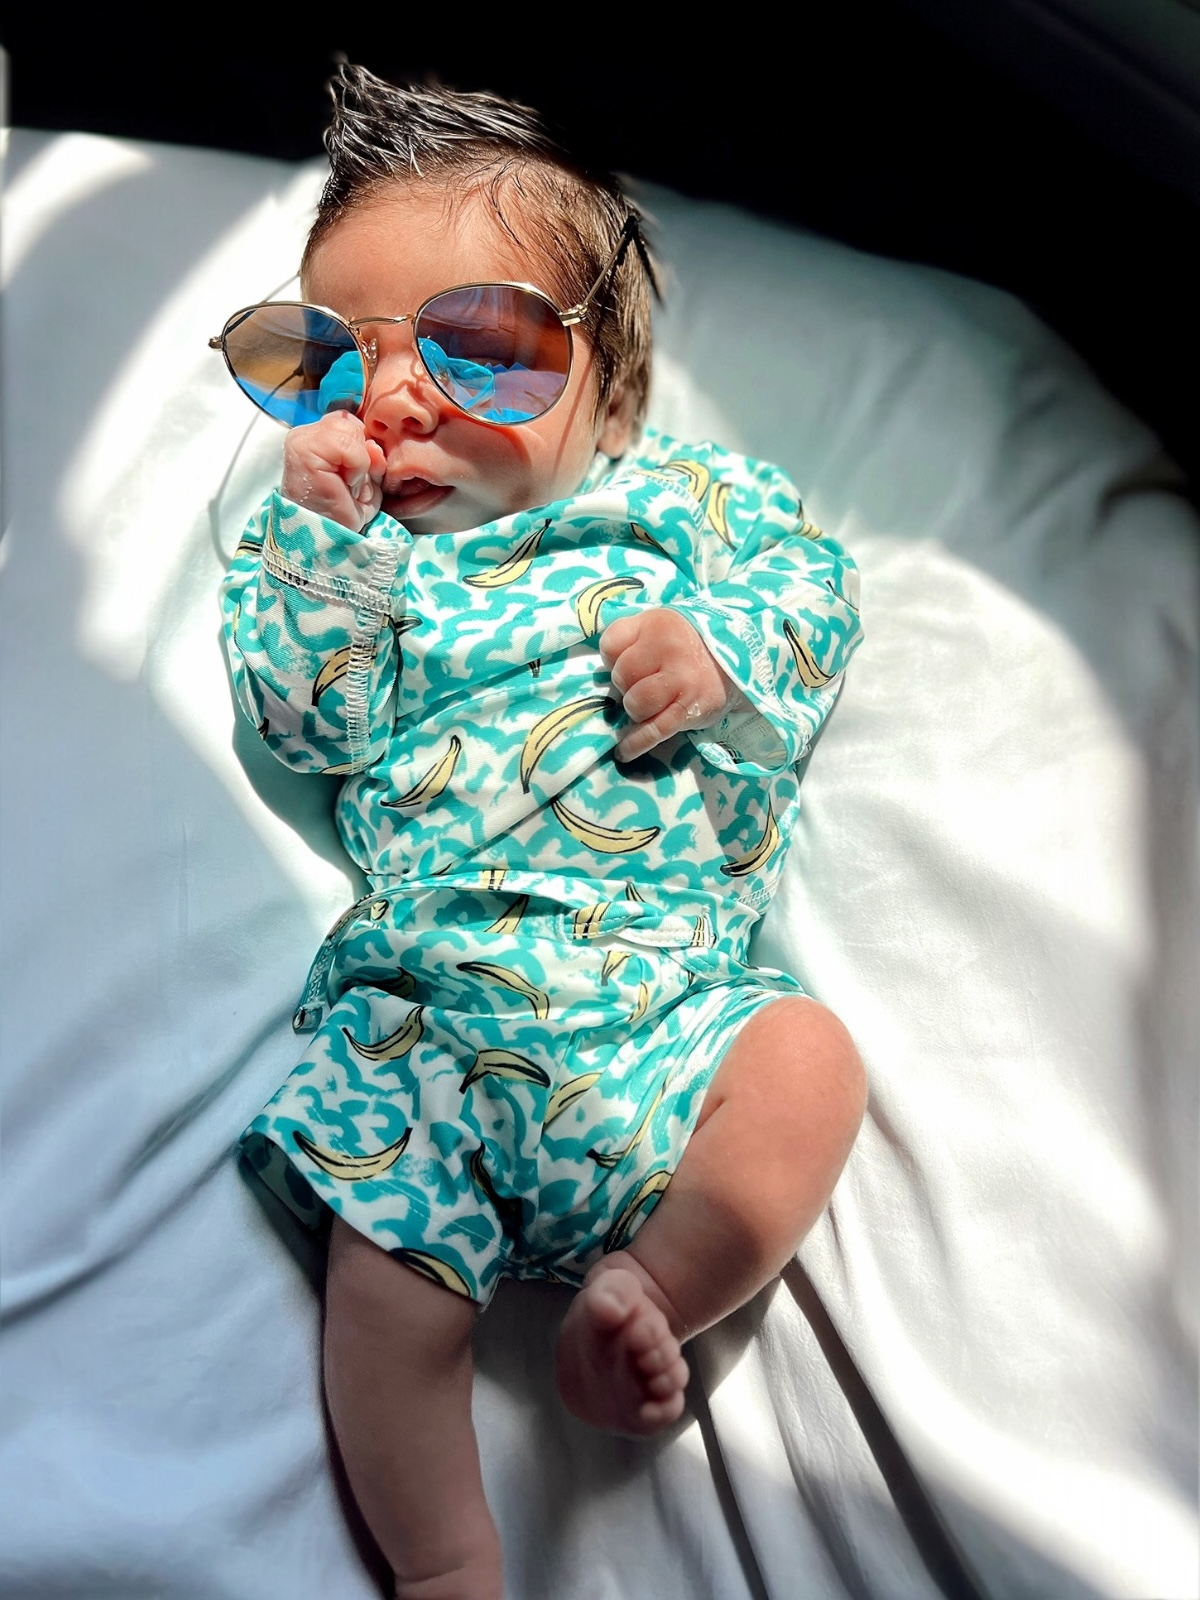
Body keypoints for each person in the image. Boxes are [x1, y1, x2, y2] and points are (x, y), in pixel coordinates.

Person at [217, 61, 866, 1600]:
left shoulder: (693, 504)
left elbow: (821, 589)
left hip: (663, 1011)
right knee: (382, 1280)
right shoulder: (343, 554)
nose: (392, 401)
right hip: (426, 1026)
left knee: (808, 1070)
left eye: (482, 347)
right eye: (333, 364)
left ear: (616, 395)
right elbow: (311, 726)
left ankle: (655, 1285)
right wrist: (321, 545)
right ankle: (447, 1561)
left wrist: (719, 653)